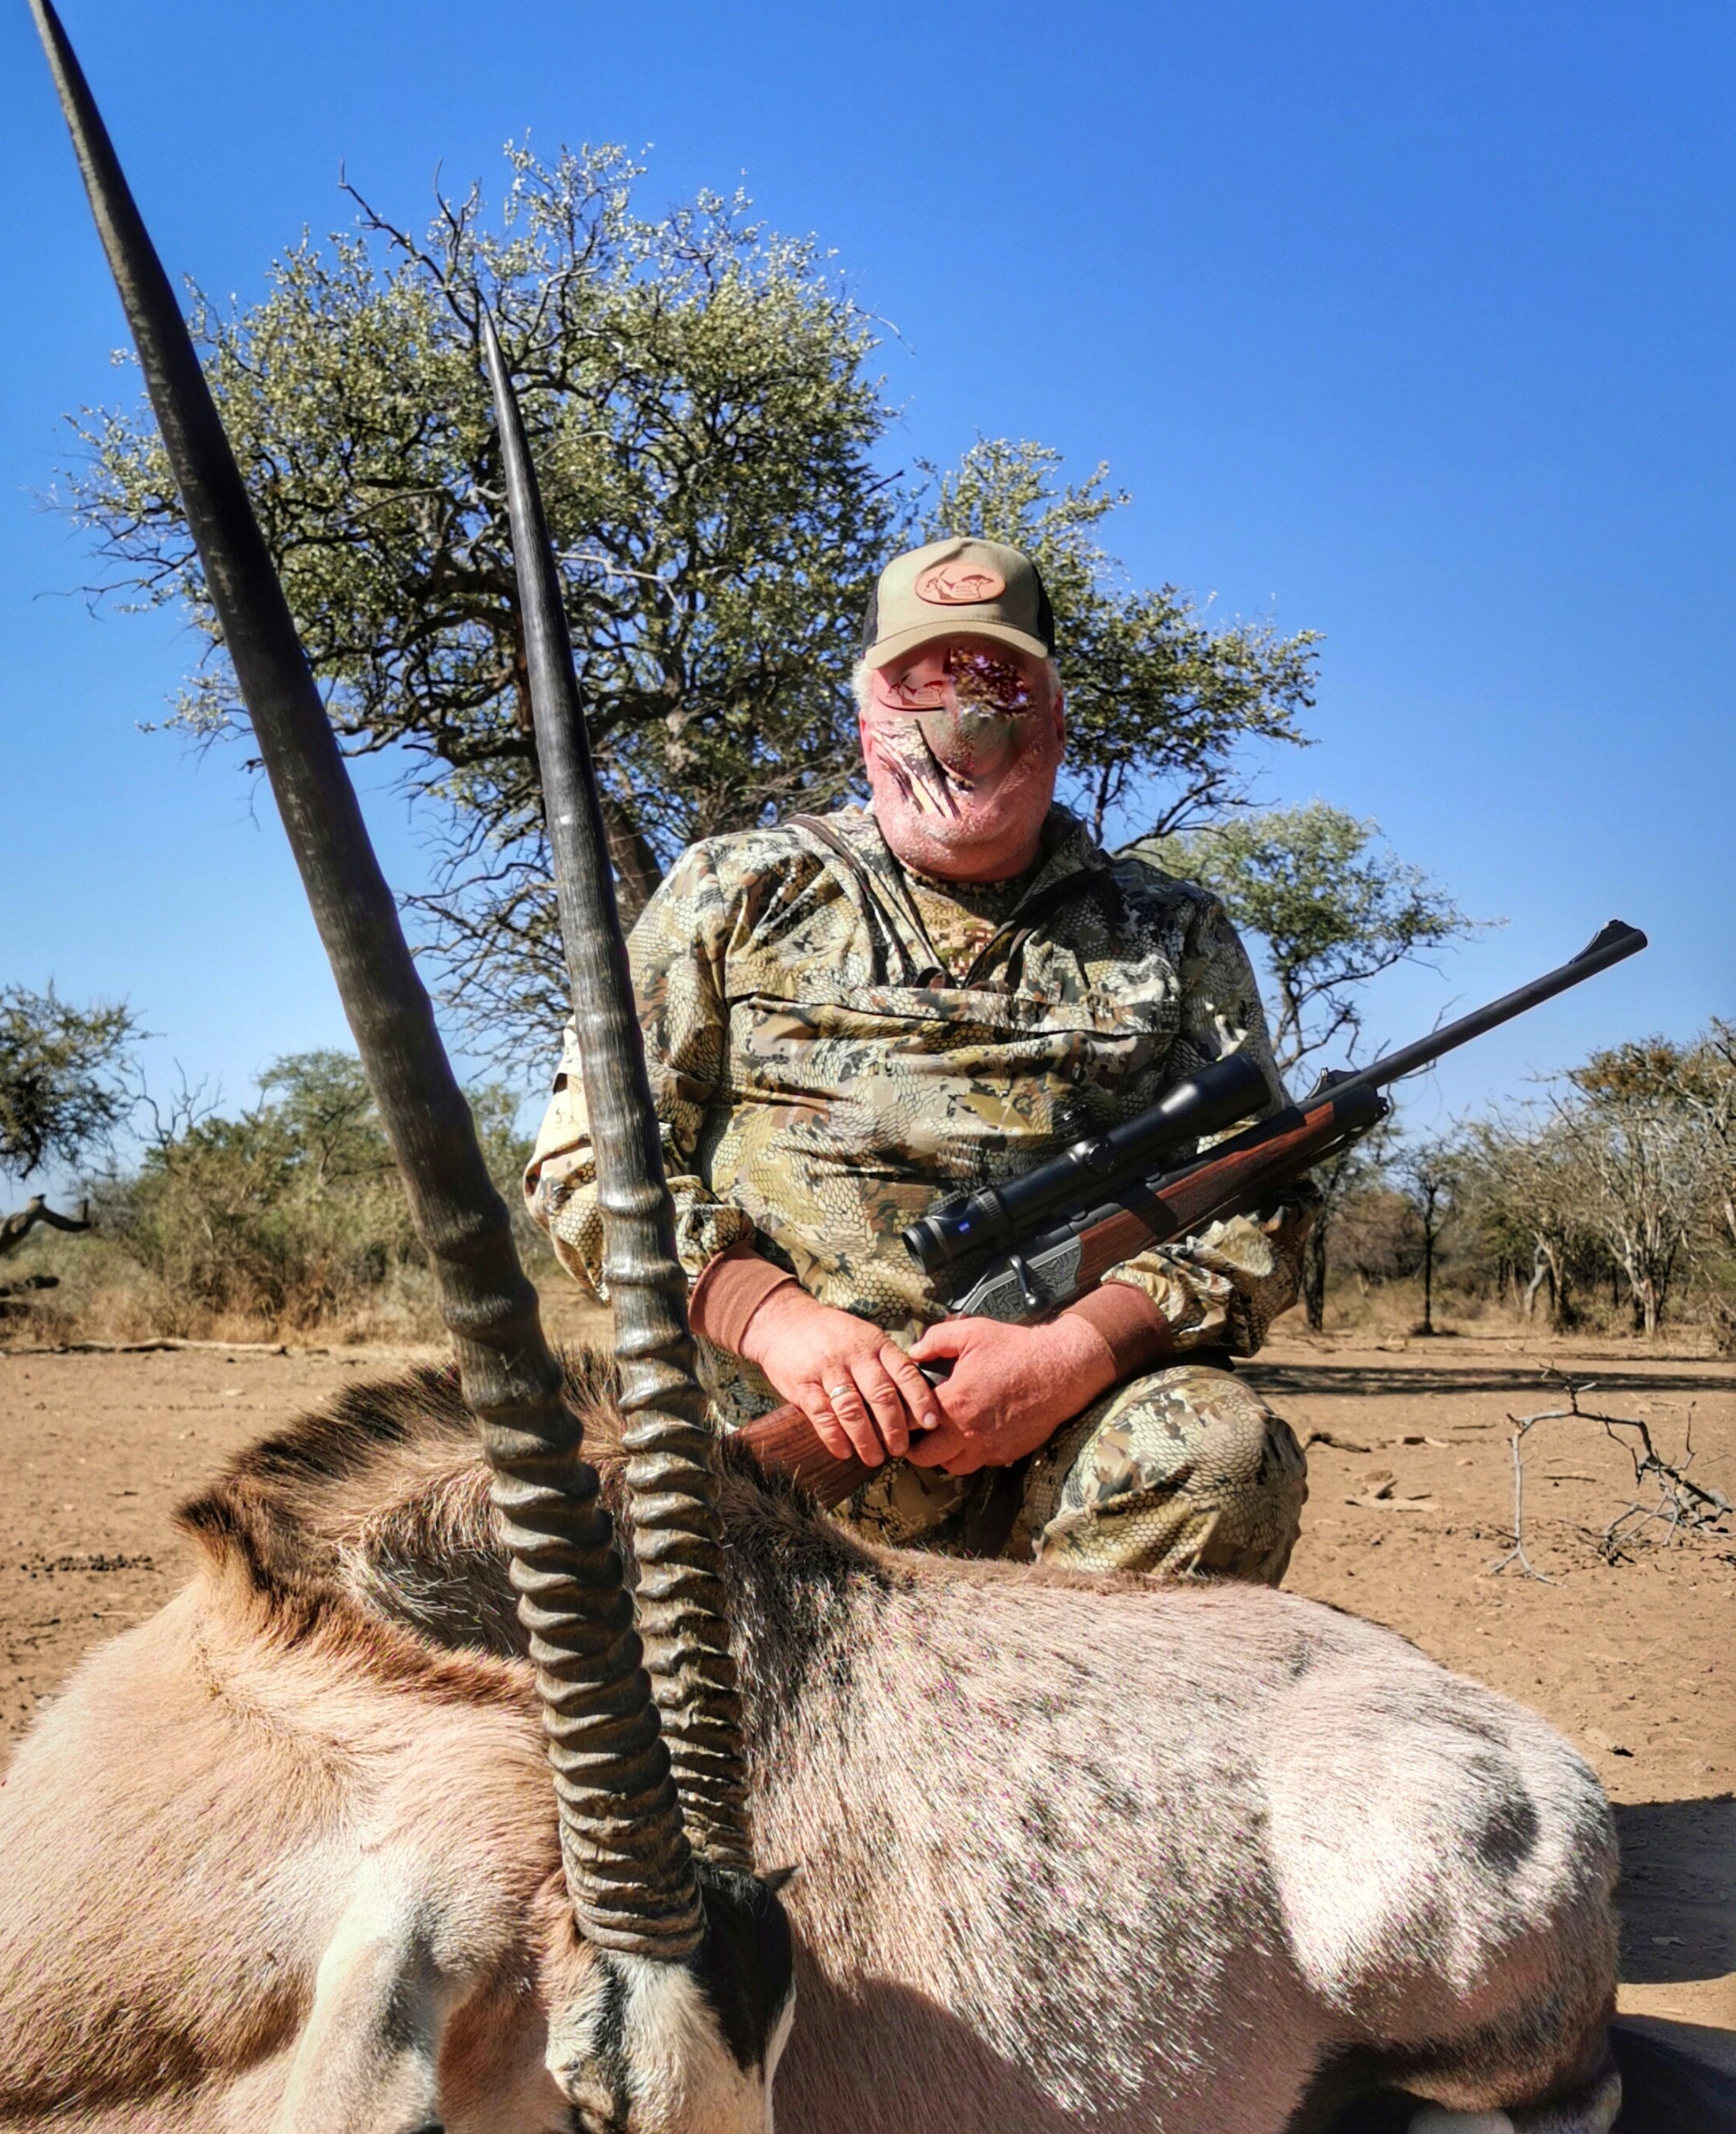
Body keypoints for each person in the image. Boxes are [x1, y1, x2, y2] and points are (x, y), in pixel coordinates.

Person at [527, 536, 1312, 1582]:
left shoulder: (1171, 929)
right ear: (865, 723)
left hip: (1061, 1440)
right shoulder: (736, 892)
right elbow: (586, 1163)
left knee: (1220, 1451)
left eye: (1000, 681)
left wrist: (1072, 1353)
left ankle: (1062, 1722)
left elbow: (1264, 1196)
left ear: (1058, 716)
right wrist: (777, 1323)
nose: (966, 719)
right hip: (762, 1425)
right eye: (922, 684)